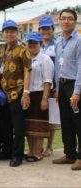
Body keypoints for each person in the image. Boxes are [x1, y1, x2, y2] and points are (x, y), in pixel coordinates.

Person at [0, 19, 32, 167]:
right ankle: (7, 150)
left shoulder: (23, 49)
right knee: (5, 125)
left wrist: (26, 93)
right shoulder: (1, 50)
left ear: (17, 33)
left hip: (18, 93)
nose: (9, 34)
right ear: (3, 33)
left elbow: (27, 72)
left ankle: (17, 155)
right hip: (3, 95)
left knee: (18, 126)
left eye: (12, 31)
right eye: (7, 31)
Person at [52, 9, 81, 171]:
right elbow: (58, 66)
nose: (66, 21)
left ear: (75, 22)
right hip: (62, 86)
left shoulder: (79, 41)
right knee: (66, 121)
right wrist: (57, 88)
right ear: (59, 21)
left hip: (74, 85)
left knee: (78, 122)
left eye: (70, 19)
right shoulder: (59, 41)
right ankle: (69, 153)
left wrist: (77, 92)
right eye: (63, 19)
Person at [24, 32, 53, 162]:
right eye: (30, 43)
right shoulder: (25, 58)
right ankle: (31, 151)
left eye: (35, 43)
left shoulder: (45, 59)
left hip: (40, 93)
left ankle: (37, 152)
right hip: (27, 94)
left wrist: (45, 99)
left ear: (40, 44)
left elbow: (47, 80)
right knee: (29, 125)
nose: (32, 45)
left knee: (39, 125)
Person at [38, 16, 59, 157]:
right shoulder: (34, 44)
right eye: (43, 29)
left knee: (52, 118)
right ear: (39, 30)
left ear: (52, 29)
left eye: (48, 28)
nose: (46, 31)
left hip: (52, 87)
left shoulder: (57, 46)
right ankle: (38, 146)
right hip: (37, 87)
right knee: (38, 117)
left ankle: (49, 146)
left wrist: (57, 88)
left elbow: (59, 69)